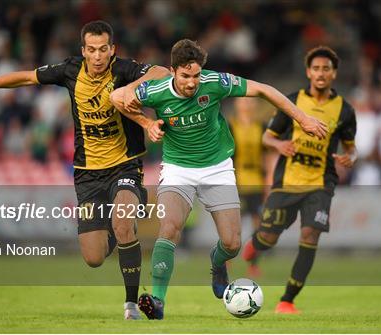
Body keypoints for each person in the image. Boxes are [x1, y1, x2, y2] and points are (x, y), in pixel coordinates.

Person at [0, 20, 170, 320]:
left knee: (122, 222)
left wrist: (132, 87)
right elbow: (27, 78)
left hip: (124, 166)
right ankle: (118, 230)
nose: (97, 56)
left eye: (103, 49)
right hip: (87, 173)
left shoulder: (124, 70)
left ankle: (131, 304)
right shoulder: (69, 70)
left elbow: (163, 72)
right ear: (83, 50)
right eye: (91, 50)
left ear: (112, 49)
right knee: (93, 258)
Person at [110, 39, 327, 320]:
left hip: (217, 168)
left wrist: (303, 119)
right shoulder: (156, 91)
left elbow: (263, 89)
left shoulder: (216, 83)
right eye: (185, 76)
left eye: (196, 75)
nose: (191, 82)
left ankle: (217, 262)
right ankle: (158, 300)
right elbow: (116, 98)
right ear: (173, 71)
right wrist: (146, 122)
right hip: (178, 168)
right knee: (170, 227)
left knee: (232, 243)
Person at [241, 46, 357, 314]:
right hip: (287, 182)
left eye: (326, 68)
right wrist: (279, 146)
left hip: (320, 183)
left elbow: (351, 146)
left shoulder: (345, 111)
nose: (320, 73)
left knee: (310, 234)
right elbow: (267, 137)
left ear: (334, 73)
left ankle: (287, 301)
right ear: (308, 72)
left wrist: (351, 155)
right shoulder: (291, 101)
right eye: (316, 68)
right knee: (268, 238)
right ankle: (254, 246)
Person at [229, 98, 265, 277]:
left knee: (258, 227)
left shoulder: (262, 127)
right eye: (243, 102)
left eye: (250, 102)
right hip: (237, 182)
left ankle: (253, 263)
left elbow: (267, 156)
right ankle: (226, 262)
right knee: (234, 226)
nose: (247, 105)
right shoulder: (230, 126)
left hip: (257, 182)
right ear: (237, 104)